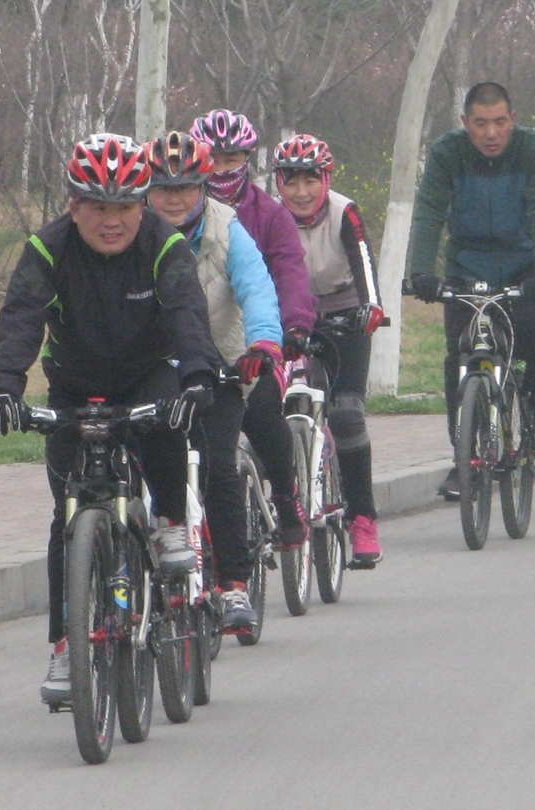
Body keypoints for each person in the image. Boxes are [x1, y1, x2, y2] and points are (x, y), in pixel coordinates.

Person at [0, 133, 222, 704]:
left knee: (167, 423)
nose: (111, 221)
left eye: (124, 207)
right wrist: (3, 389)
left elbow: (189, 316)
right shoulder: (47, 249)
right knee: (67, 515)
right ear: (74, 206)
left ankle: (166, 526)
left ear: (142, 205)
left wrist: (198, 379)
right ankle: (66, 647)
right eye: (97, 207)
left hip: (149, 373)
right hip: (76, 382)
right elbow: (20, 320)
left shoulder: (164, 247)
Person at [144, 130, 283, 628]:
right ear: (145, 192)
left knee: (219, 463)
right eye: (163, 188)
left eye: (186, 187)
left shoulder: (228, 229)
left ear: (205, 188)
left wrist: (263, 344)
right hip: (156, 370)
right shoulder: (132, 233)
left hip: (223, 362)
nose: (175, 198)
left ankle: (234, 585)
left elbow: (258, 289)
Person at [407, 82, 535, 501]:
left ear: (512, 120)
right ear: (465, 124)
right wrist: (420, 271)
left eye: (499, 122)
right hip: (467, 266)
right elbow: (428, 213)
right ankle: (466, 461)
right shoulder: (446, 153)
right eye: (480, 124)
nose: (491, 134)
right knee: (460, 356)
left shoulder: (533, 150)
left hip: (524, 265)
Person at [190, 109, 319, 548]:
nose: (223, 170)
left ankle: (286, 499)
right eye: (215, 159)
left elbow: (288, 273)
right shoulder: (182, 207)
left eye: (233, 159)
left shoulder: (270, 215)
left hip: (256, 339)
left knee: (263, 408)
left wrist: (294, 327)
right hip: (192, 340)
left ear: (248, 158)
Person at [272, 133, 384, 567]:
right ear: (278, 183)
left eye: (310, 180)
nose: (301, 192)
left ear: (326, 178)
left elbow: (365, 266)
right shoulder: (268, 215)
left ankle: (362, 520)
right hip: (290, 315)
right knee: (272, 411)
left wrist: (371, 307)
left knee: (346, 413)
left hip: (343, 313)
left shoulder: (345, 212)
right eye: (290, 181)